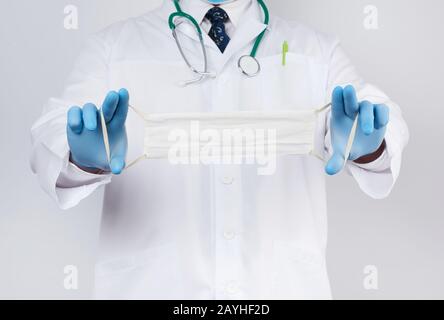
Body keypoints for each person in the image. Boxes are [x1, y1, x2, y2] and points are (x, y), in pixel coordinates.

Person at [30, 0, 409, 299]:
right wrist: (83, 158)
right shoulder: (114, 48)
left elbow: (381, 117)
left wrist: (369, 146)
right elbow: (51, 133)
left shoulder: (316, 52)